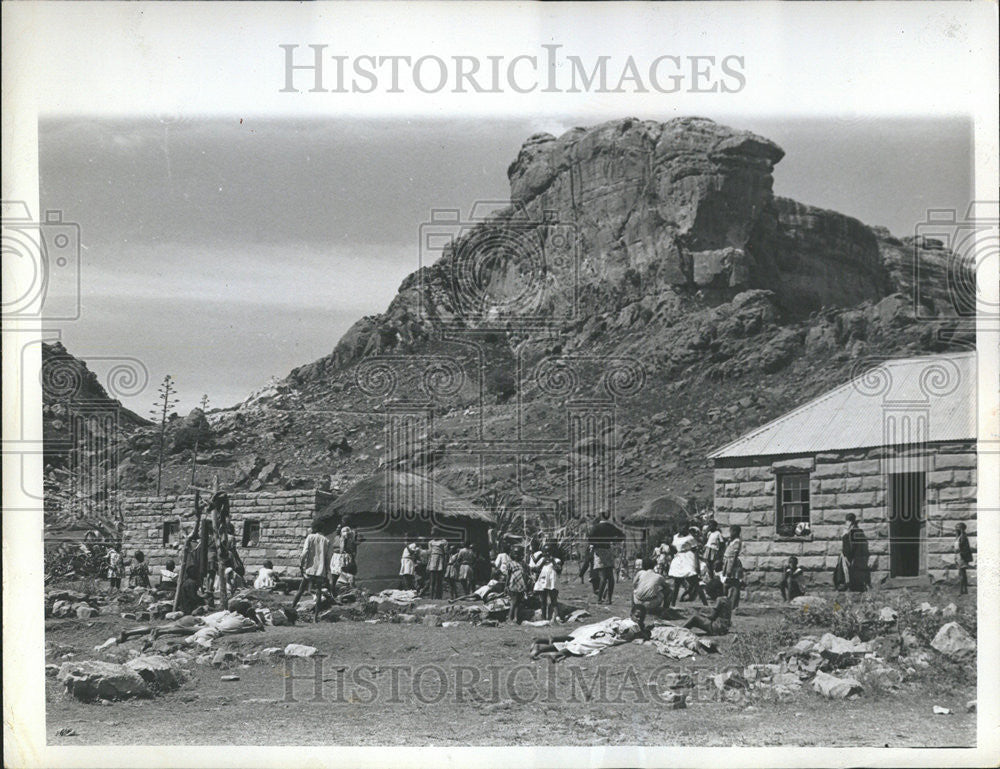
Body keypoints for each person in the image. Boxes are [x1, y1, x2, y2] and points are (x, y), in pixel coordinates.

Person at [530, 605, 649, 662]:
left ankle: (541, 646)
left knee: (577, 638)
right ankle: (553, 652)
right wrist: (645, 631)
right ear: (631, 614)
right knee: (582, 643)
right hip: (607, 634)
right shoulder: (634, 626)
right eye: (637, 616)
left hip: (604, 629)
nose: (639, 619)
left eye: (641, 618)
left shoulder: (626, 621)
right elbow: (640, 634)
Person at [291, 521, 331, 622]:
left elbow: (305, 552)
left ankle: (291, 609)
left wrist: (301, 564)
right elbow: (327, 557)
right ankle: (315, 618)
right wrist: (327, 570)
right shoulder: (326, 540)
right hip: (320, 570)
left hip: (310, 568)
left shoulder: (310, 537)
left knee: (300, 590)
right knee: (318, 593)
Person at [667, 526, 703, 607]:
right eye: (680, 527)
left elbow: (695, 551)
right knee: (677, 583)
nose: (681, 529)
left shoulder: (690, 538)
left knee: (694, 581)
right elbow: (674, 550)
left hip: (688, 558)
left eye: (683, 527)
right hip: (679, 559)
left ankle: (705, 603)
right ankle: (673, 604)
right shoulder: (675, 537)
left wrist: (697, 564)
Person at [842, 514, 870, 593]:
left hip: (851, 554)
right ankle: (851, 586)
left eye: (847, 521)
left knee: (849, 570)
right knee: (848, 570)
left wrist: (848, 556)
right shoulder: (853, 531)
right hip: (851, 554)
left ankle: (851, 587)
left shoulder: (852, 531)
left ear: (849, 522)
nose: (846, 523)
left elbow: (852, 545)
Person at [533, 547, 562, 621]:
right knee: (543, 601)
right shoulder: (541, 560)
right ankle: (543, 618)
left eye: (549, 552)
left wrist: (553, 561)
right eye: (545, 553)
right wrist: (542, 563)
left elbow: (559, 570)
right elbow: (536, 570)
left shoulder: (557, 560)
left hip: (552, 582)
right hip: (543, 581)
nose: (547, 554)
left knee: (553, 600)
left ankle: (554, 617)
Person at [504, 546, 530, 624]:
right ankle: (509, 618)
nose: (517, 556)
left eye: (518, 554)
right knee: (513, 602)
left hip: (521, 585)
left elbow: (526, 574)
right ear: (512, 554)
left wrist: (526, 585)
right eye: (515, 554)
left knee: (518, 602)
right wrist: (506, 585)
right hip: (513, 584)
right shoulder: (510, 564)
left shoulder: (523, 563)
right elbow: (508, 575)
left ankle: (516, 618)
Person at [722, 525, 744, 610]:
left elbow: (735, 555)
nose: (730, 533)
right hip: (728, 562)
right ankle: (729, 603)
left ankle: (733, 605)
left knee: (734, 584)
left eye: (731, 531)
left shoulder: (737, 542)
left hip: (732, 563)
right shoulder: (732, 541)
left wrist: (730, 568)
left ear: (735, 532)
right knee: (728, 584)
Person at [426, 530, 449, 599]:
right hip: (433, 559)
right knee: (432, 579)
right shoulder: (431, 542)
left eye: (435, 534)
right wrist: (428, 563)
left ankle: (438, 596)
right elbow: (429, 553)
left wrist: (445, 562)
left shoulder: (443, 542)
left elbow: (446, 553)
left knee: (439, 579)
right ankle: (431, 596)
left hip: (440, 558)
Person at [955, 522, 973, 595]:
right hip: (958, 556)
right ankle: (965, 590)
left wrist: (961, 555)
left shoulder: (963, 537)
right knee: (962, 573)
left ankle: (961, 591)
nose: (956, 529)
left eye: (957, 527)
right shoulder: (959, 537)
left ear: (961, 528)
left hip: (961, 557)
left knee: (962, 574)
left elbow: (965, 548)